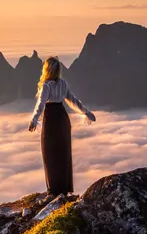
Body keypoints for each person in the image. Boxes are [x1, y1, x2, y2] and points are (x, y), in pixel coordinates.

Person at [27, 56, 96, 196]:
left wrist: (34, 119)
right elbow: (73, 100)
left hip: (51, 120)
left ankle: (53, 191)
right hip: (63, 119)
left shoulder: (46, 85)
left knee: (50, 154)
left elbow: (41, 104)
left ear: (46, 69)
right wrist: (86, 112)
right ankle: (64, 189)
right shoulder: (63, 84)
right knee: (63, 154)